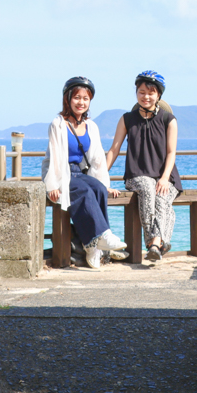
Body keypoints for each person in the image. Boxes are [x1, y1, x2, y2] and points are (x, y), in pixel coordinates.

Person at [42, 76, 126, 269]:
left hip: (79, 173)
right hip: (61, 172)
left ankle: (92, 248)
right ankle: (102, 238)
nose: (81, 102)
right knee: (84, 191)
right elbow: (54, 157)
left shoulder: (91, 126)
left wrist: (105, 185)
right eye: (77, 97)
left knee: (96, 189)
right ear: (68, 99)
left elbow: (97, 160)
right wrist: (52, 185)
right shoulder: (58, 124)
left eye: (85, 98)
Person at [105, 70, 182, 262]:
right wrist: (100, 175)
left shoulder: (169, 120)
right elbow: (114, 149)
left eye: (151, 92)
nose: (146, 96)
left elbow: (172, 152)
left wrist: (164, 178)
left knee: (163, 199)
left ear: (158, 95)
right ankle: (156, 242)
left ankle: (155, 244)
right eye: (141, 92)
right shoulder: (127, 119)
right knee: (148, 188)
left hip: (166, 176)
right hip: (137, 175)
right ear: (136, 93)